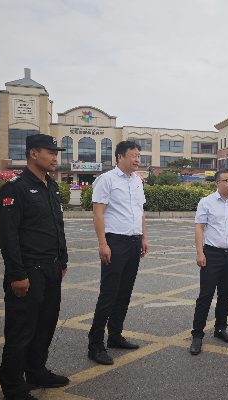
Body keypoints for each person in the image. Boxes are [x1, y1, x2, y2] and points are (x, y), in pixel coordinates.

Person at [0, 135, 69, 400]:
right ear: (33, 153)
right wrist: (17, 274)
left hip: (52, 269)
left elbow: (57, 226)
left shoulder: (52, 186)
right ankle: (13, 387)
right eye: (50, 152)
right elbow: (9, 236)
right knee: (21, 331)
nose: (55, 157)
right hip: (28, 271)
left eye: (56, 152)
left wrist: (62, 261)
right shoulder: (15, 188)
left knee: (45, 326)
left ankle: (36, 371)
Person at [87, 141, 149, 365]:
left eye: (138, 155)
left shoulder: (137, 180)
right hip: (115, 242)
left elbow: (140, 212)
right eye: (133, 155)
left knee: (124, 293)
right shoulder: (107, 180)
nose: (137, 159)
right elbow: (98, 214)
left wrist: (143, 238)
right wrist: (103, 244)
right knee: (109, 294)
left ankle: (115, 335)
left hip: (134, 242)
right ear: (120, 157)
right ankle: (95, 345)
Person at [189, 168, 228, 355]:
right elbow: (199, 228)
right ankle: (197, 334)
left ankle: (220, 328)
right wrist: (200, 253)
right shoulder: (206, 202)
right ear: (217, 183)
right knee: (205, 295)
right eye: (227, 181)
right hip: (212, 254)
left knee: (226, 293)